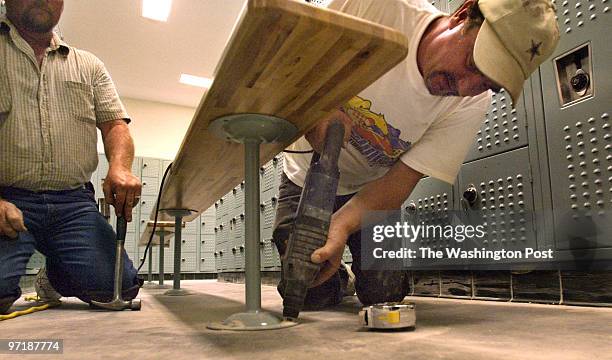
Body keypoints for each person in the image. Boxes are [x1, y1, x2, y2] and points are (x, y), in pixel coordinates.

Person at [274, 0, 560, 307]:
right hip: (306, 175)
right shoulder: (376, 7)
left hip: (371, 189)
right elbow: (295, 63)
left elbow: (402, 180)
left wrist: (340, 225)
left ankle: (364, 273)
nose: (465, 86)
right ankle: (339, 280)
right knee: (308, 290)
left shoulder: (471, 104)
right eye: (473, 63)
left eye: (487, 84)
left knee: (384, 296)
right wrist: (314, 113)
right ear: (462, 15)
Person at [0, 0, 142, 315]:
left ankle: (54, 276)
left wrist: (119, 167)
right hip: (7, 199)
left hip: (72, 204)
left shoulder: (88, 65)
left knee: (120, 288)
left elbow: (115, 125)